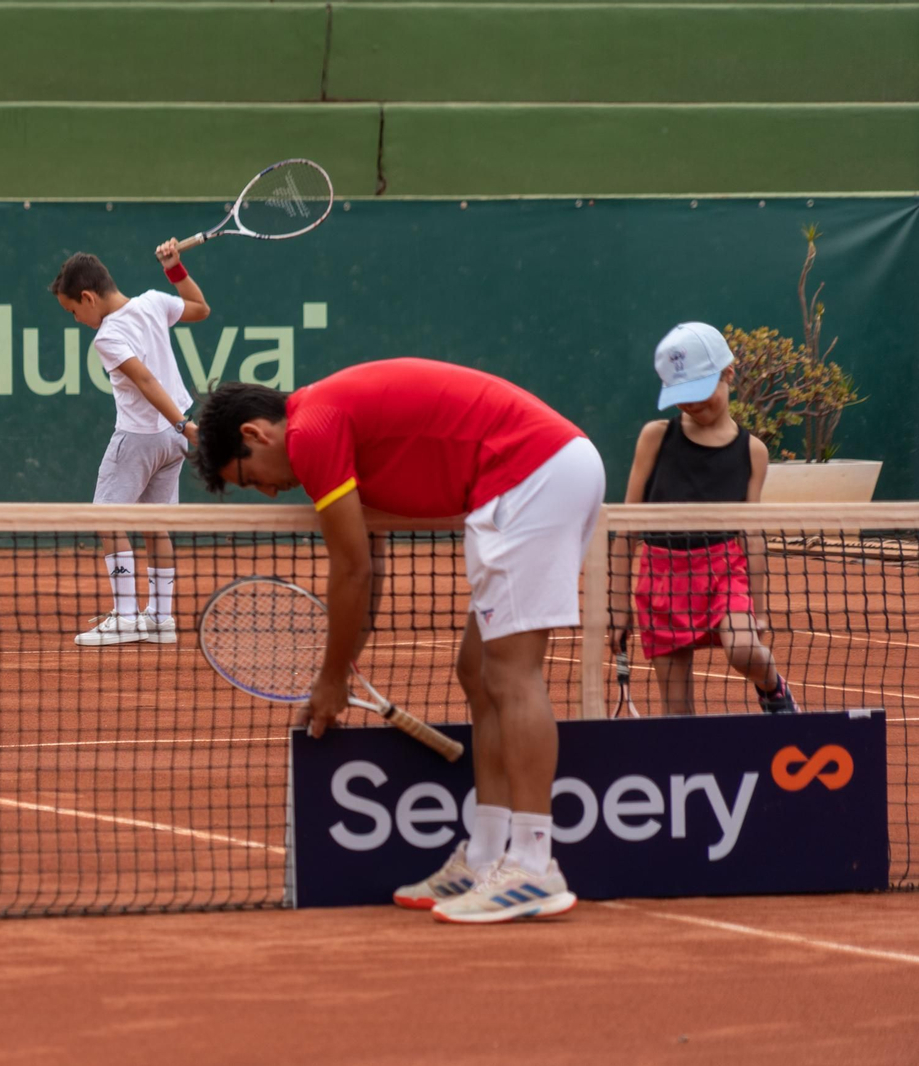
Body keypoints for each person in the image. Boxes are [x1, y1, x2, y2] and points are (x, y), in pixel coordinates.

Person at [191, 359, 604, 924]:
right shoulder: (326, 420)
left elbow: (352, 569)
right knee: (476, 670)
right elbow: (371, 559)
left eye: (252, 477)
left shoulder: (311, 430)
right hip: (537, 471)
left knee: (511, 673)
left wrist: (333, 679)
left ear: (254, 434)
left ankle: (533, 866)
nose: (267, 491)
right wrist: (343, 663)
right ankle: (485, 857)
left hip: (529, 473)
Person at [612, 322, 798, 715]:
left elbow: (752, 535)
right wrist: (616, 607)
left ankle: (773, 689)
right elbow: (626, 528)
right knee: (678, 715)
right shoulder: (654, 437)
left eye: (700, 392)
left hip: (723, 570)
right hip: (661, 578)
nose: (692, 405)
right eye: (682, 396)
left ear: (728, 372)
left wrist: (760, 610)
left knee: (746, 650)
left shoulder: (753, 451)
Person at [50, 242, 209, 646]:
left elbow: (145, 381)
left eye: (73, 311)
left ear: (87, 297)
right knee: (156, 527)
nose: (77, 320)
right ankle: (160, 618)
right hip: (172, 442)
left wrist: (183, 422)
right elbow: (200, 308)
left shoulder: (108, 336)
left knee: (105, 518)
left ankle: (124, 617)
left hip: (140, 437)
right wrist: (175, 269)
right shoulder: (154, 302)